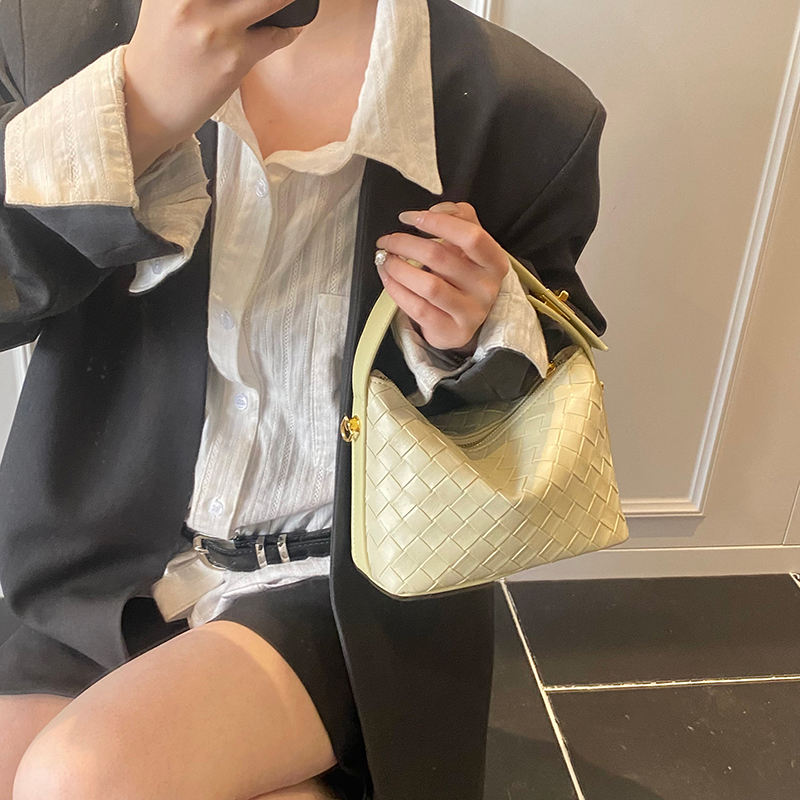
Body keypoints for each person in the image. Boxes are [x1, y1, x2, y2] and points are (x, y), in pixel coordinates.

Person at [0, 0, 609, 798]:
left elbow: (541, 379)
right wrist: (132, 117)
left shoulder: (525, 111)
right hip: (107, 571)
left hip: (348, 593)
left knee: (77, 779)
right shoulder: (51, 30)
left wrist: (471, 335)